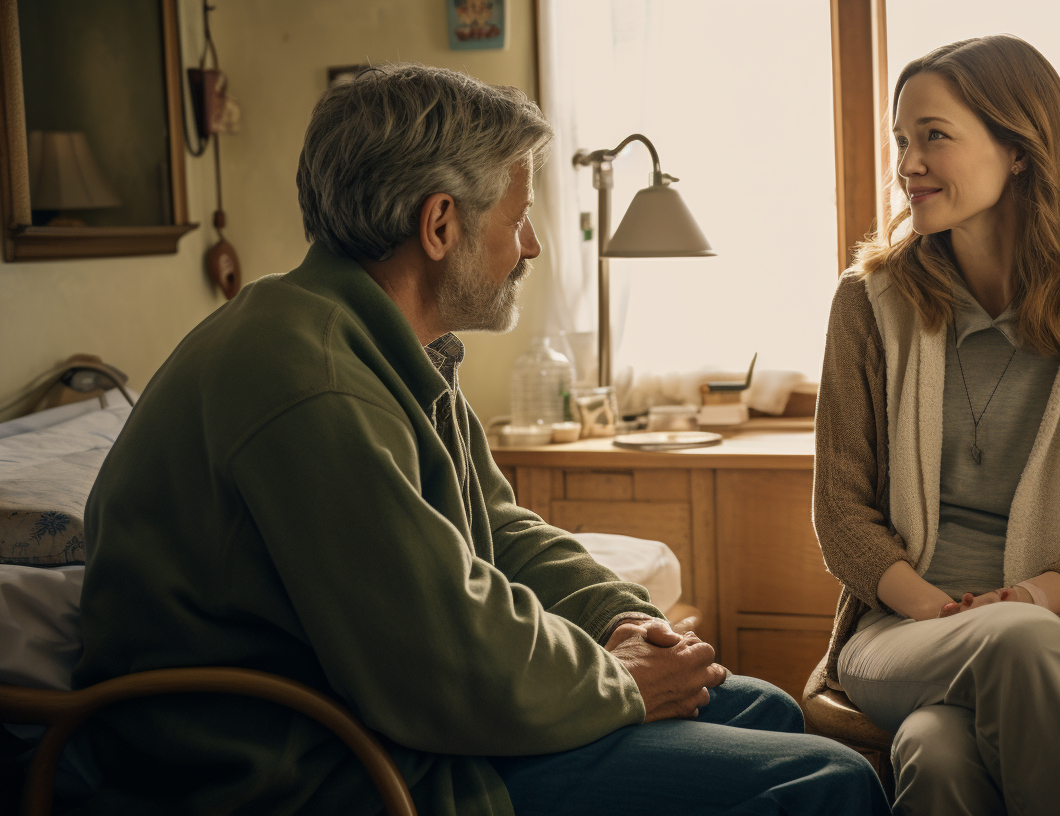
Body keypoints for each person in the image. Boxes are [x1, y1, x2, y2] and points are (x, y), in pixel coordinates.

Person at [72, 64, 889, 816]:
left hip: (377, 720)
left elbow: (495, 529)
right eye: (520, 217)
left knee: (766, 708)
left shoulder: (385, 344)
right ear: (439, 225)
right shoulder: (311, 378)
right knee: (828, 781)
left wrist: (620, 621)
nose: (530, 246)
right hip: (312, 764)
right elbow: (436, 663)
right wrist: (621, 684)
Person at [811, 36, 1060, 815]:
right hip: (899, 630)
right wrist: (942, 610)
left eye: (934, 137)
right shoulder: (868, 302)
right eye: (902, 141)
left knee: (937, 753)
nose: (908, 163)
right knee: (1014, 639)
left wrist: (1027, 596)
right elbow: (841, 514)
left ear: (1020, 149)